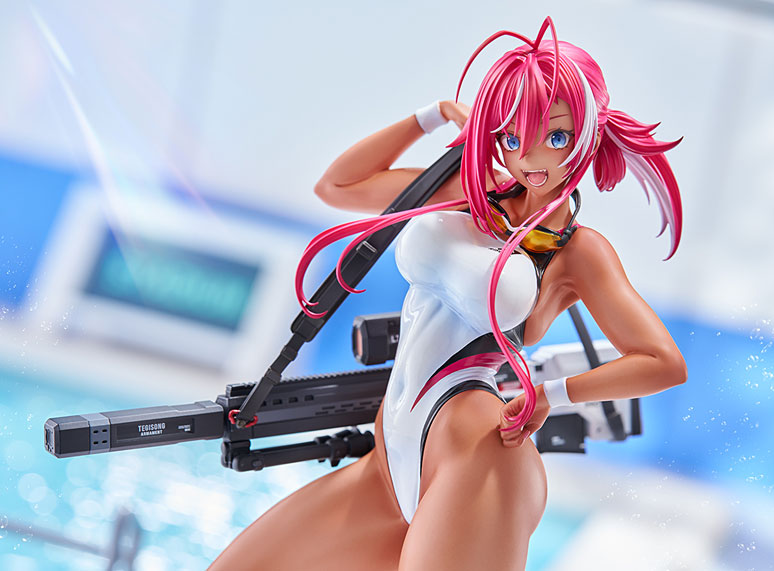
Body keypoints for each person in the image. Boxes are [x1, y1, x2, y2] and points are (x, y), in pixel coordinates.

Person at [209, 17, 687, 571]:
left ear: (586, 135)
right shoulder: (471, 190)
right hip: (389, 459)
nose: (529, 158)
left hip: (478, 456)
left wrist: (551, 394)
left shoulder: (579, 252)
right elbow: (337, 186)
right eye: (511, 137)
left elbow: (662, 362)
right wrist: (432, 115)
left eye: (554, 137)